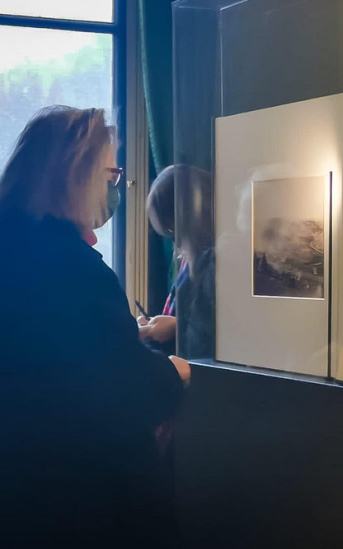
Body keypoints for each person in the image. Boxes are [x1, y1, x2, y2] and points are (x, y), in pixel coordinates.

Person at [0, 106, 190, 548]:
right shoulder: (71, 265)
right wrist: (172, 373)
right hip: (76, 491)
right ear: (75, 175)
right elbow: (120, 386)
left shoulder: (16, 243)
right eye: (111, 172)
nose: (116, 185)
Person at [139, 164, 215, 359]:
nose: (176, 243)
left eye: (171, 231)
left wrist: (175, 328)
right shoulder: (192, 262)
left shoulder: (213, 264)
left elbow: (210, 337)